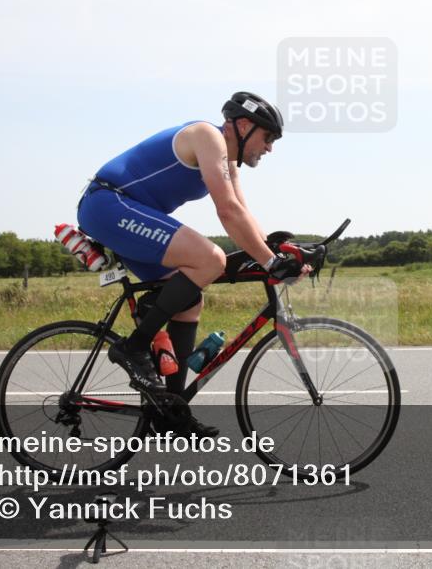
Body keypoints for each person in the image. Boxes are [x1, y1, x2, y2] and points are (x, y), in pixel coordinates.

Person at [76, 92, 307, 437]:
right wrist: (270, 261)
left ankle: (171, 410)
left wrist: (281, 252)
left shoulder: (227, 160)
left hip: (128, 215)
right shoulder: (207, 137)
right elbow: (226, 211)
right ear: (244, 126)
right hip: (108, 204)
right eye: (268, 137)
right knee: (210, 258)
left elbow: (242, 215)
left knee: (189, 302)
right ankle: (134, 347)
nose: (269, 148)